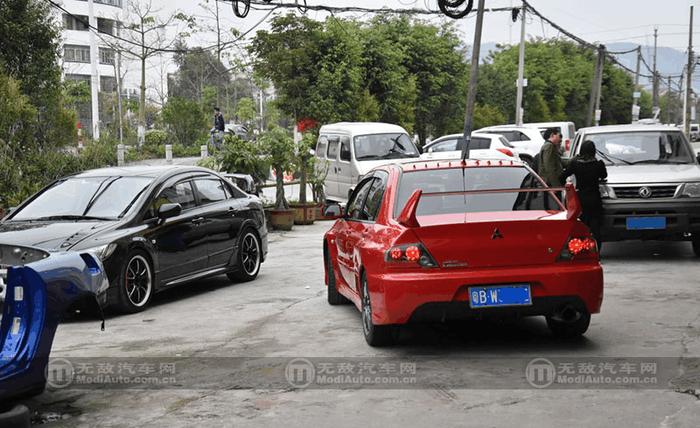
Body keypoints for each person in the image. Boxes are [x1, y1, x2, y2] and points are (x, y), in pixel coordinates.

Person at [562, 140, 608, 246]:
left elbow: (562, 176)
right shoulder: (598, 164)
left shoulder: (575, 164)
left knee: (582, 225)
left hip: (581, 198)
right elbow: (604, 175)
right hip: (594, 198)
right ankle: (596, 250)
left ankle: (581, 248)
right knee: (596, 226)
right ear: (593, 151)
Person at [536, 128, 566, 209]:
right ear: (552, 135)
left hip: (549, 182)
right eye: (559, 136)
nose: (560, 139)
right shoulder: (549, 146)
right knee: (555, 207)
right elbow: (549, 167)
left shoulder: (550, 146)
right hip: (550, 182)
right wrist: (555, 185)